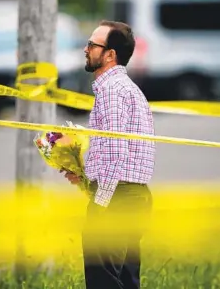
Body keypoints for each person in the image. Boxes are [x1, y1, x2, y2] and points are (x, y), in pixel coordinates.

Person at [62, 20, 156, 289]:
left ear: (110, 55)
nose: (85, 48)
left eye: (92, 45)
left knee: (103, 280)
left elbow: (116, 153)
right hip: (130, 195)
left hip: (117, 199)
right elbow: (114, 152)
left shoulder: (113, 92)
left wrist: (100, 202)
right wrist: (84, 177)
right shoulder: (124, 89)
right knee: (125, 280)